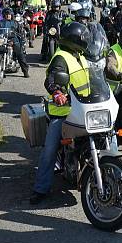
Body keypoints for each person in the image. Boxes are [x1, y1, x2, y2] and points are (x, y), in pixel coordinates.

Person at [31, 22, 91, 204]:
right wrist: (57, 92)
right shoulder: (60, 58)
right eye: (83, 38)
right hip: (62, 112)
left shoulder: (79, 55)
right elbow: (51, 79)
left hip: (83, 109)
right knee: (49, 150)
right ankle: (41, 188)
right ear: (74, 41)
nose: (86, 41)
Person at [0, 7, 29, 78]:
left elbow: (20, 31)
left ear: (11, 15)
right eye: (6, 14)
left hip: (13, 40)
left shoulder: (15, 23)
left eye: (9, 14)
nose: (8, 15)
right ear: (3, 15)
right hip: (2, 40)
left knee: (19, 53)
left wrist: (21, 33)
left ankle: (25, 71)